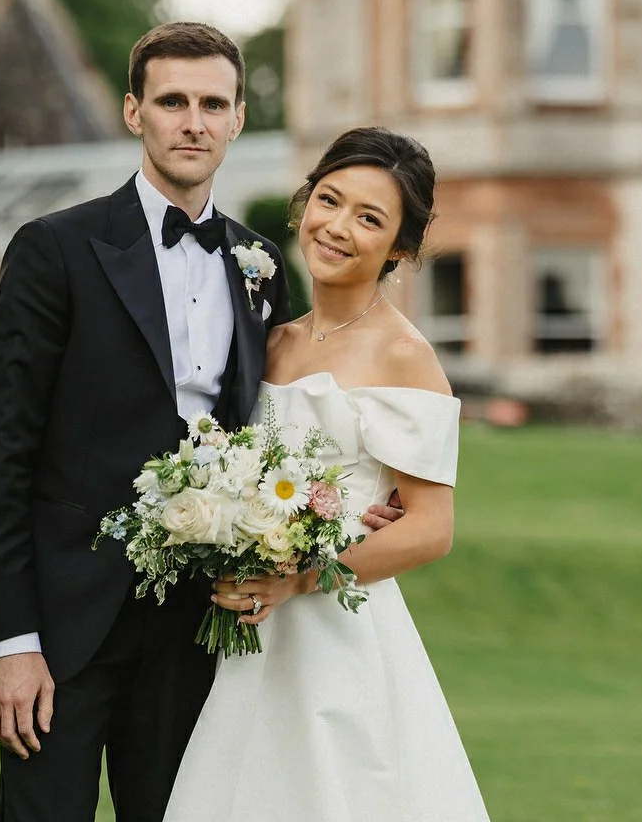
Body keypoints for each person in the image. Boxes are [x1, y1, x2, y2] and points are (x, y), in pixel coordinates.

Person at [0, 23, 401, 821]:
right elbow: (1, 451)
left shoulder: (260, 265)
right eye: (172, 101)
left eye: (212, 103)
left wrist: (348, 505)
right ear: (135, 112)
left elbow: (281, 426)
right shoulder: (55, 249)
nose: (193, 121)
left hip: (201, 625)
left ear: (237, 119)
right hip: (66, 622)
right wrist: (12, 641)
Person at [163, 127, 491, 821]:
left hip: (337, 635)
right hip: (248, 634)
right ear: (304, 202)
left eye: (369, 218)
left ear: (401, 248)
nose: (338, 227)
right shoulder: (268, 339)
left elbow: (431, 529)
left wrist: (297, 577)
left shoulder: (404, 354)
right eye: (330, 200)